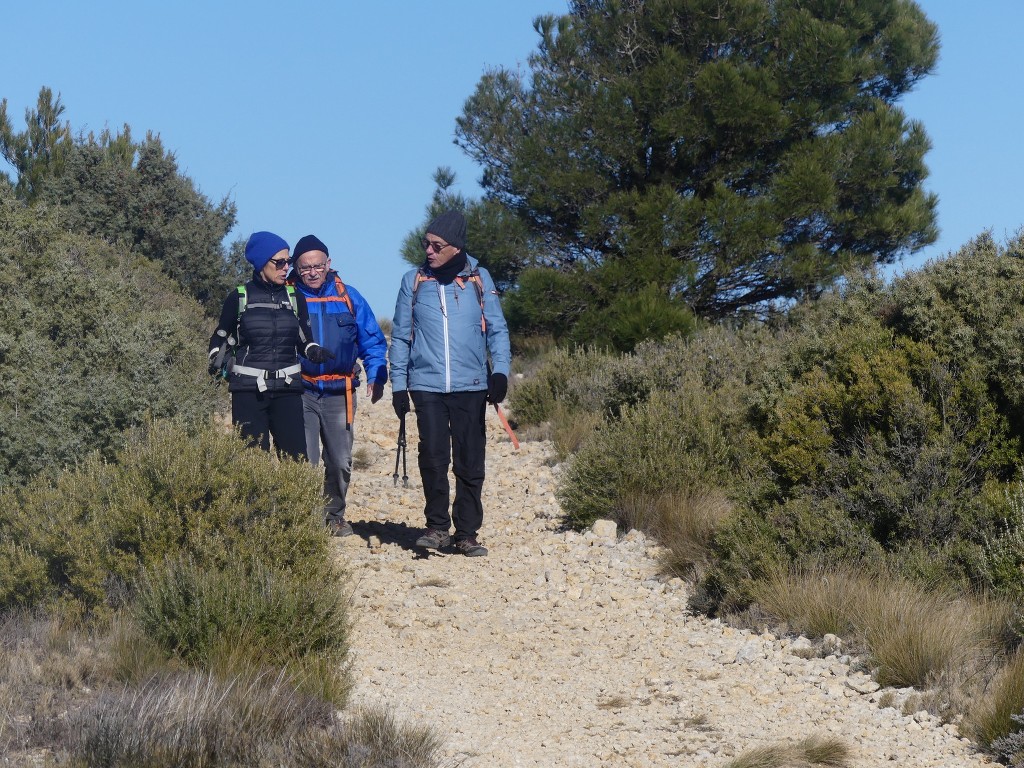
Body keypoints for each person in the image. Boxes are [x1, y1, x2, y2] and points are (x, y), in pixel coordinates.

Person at [389, 210, 511, 557]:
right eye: (425, 243)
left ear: (455, 247)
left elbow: (498, 329)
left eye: (436, 245)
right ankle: (437, 527)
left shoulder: (479, 279)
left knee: (470, 460)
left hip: (471, 384)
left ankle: (467, 532)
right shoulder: (413, 280)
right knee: (432, 455)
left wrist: (499, 371)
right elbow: (400, 337)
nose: (428, 250)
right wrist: (400, 385)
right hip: (426, 384)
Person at [290, 234, 389, 537]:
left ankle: (334, 515)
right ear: (296, 267)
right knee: (304, 461)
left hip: (340, 392)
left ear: (329, 264)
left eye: (318, 266)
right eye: (305, 267)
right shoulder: (290, 296)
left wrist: (376, 373)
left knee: (341, 460)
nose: (312, 272)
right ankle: (305, 518)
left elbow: (371, 339)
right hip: (301, 390)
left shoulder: (349, 296)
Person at [208, 231, 332, 459]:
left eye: (289, 261)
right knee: (252, 465)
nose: (287, 267)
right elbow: (220, 336)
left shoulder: (295, 297)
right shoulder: (239, 297)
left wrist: (314, 351)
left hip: (288, 391)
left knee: (295, 464)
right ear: (261, 262)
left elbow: (305, 339)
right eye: (280, 262)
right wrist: (217, 357)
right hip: (248, 392)